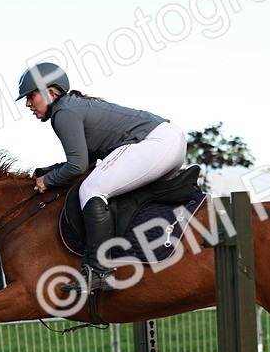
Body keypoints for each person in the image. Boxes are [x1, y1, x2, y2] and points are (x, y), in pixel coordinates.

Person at [20, 62, 187, 296]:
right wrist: (51, 171)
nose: (28, 104)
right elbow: (87, 163)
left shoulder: (63, 112)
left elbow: (77, 166)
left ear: (50, 92)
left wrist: (47, 181)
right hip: (167, 141)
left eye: (31, 96)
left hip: (155, 143)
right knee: (107, 188)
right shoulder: (71, 107)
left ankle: (98, 272)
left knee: (91, 190)